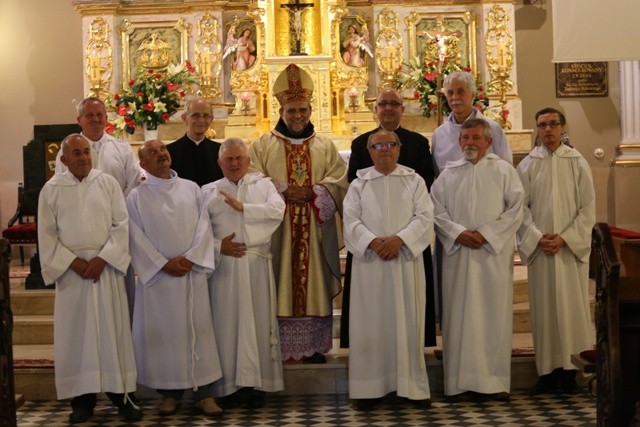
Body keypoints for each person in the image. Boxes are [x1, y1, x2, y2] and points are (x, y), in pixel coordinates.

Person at [38, 134, 142, 424]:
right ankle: (81, 401)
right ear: (64, 159)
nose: (84, 157)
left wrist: (102, 259)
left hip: (104, 270)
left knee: (112, 334)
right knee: (77, 337)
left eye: (86, 152)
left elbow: (121, 225)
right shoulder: (51, 190)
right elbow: (47, 235)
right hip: (72, 275)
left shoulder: (107, 183)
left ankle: (122, 396)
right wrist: (71, 262)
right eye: (77, 153)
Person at [249, 63, 348, 363]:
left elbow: (339, 180)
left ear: (310, 109)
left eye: (303, 110)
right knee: (278, 280)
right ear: (280, 111)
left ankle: (314, 346)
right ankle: (281, 345)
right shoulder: (263, 146)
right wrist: (281, 190)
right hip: (279, 230)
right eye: (291, 111)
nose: (297, 116)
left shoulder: (324, 146)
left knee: (314, 280)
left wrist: (316, 193)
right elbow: (252, 180)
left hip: (314, 232)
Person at [126, 139, 223, 416]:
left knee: (198, 330)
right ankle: (170, 393)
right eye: (152, 153)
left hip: (190, 273)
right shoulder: (136, 197)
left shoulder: (191, 188)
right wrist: (161, 264)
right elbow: (135, 236)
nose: (161, 154)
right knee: (166, 334)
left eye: (163, 150)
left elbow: (204, 227)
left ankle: (204, 394)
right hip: (160, 279)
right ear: (143, 164)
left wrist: (191, 258)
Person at [430, 119, 524, 402]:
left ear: (488, 141)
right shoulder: (448, 175)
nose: (469, 143)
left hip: (491, 257)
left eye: (475, 138)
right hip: (457, 257)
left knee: (492, 316)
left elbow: (515, 210)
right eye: (465, 138)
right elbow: (435, 210)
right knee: (458, 317)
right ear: (459, 143)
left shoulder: (504, 171)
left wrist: (485, 234)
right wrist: (458, 234)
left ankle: (493, 383)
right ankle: (457, 384)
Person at [343, 129, 434, 411]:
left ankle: (410, 387)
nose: (384, 149)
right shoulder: (359, 184)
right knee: (370, 323)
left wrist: (400, 240)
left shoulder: (413, 180)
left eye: (390, 144)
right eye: (378, 145)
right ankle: (369, 388)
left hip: (404, 262)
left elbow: (425, 216)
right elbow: (350, 219)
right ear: (369, 151)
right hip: (370, 265)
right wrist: (372, 241)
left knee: (406, 322)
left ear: (399, 148)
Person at [340, 88, 437, 350]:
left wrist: (400, 236)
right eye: (384, 104)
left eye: (395, 103)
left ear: (402, 109)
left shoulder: (417, 143)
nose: (389, 108)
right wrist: (373, 239)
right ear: (376, 109)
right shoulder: (361, 143)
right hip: (371, 245)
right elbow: (354, 185)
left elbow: (427, 182)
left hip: (406, 244)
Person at [202, 138, 286, 409]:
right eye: (229, 159)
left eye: (240, 158)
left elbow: (278, 210)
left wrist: (244, 208)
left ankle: (256, 386)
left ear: (248, 161)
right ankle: (227, 387)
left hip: (255, 264)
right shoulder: (208, 192)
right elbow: (197, 233)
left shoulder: (263, 185)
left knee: (258, 324)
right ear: (219, 163)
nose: (235, 163)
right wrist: (218, 246)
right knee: (226, 326)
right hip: (223, 268)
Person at [517, 107, 595, 395]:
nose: (547, 130)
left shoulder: (577, 162)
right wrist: (537, 237)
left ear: (563, 127)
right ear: (537, 129)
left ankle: (572, 372)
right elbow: (520, 209)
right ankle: (548, 373)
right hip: (541, 251)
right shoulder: (527, 165)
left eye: (553, 124)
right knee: (545, 311)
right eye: (542, 125)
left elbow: (587, 208)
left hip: (567, 252)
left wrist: (565, 238)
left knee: (571, 311)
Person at [55, 97, 141, 197]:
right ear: (79, 120)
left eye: (99, 115)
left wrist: (117, 206)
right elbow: (61, 184)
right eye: (90, 115)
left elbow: (134, 183)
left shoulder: (123, 148)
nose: (95, 119)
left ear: (106, 119)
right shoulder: (66, 151)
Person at [431, 71, 513, 175]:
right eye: (450, 93)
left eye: (461, 92)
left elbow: (506, 168)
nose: (455, 97)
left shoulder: (493, 129)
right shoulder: (439, 134)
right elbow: (438, 176)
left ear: (473, 94)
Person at [166, 97, 223, 187]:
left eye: (206, 116)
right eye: (195, 115)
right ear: (184, 118)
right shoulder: (170, 151)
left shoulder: (220, 150)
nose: (201, 120)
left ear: (211, 119)